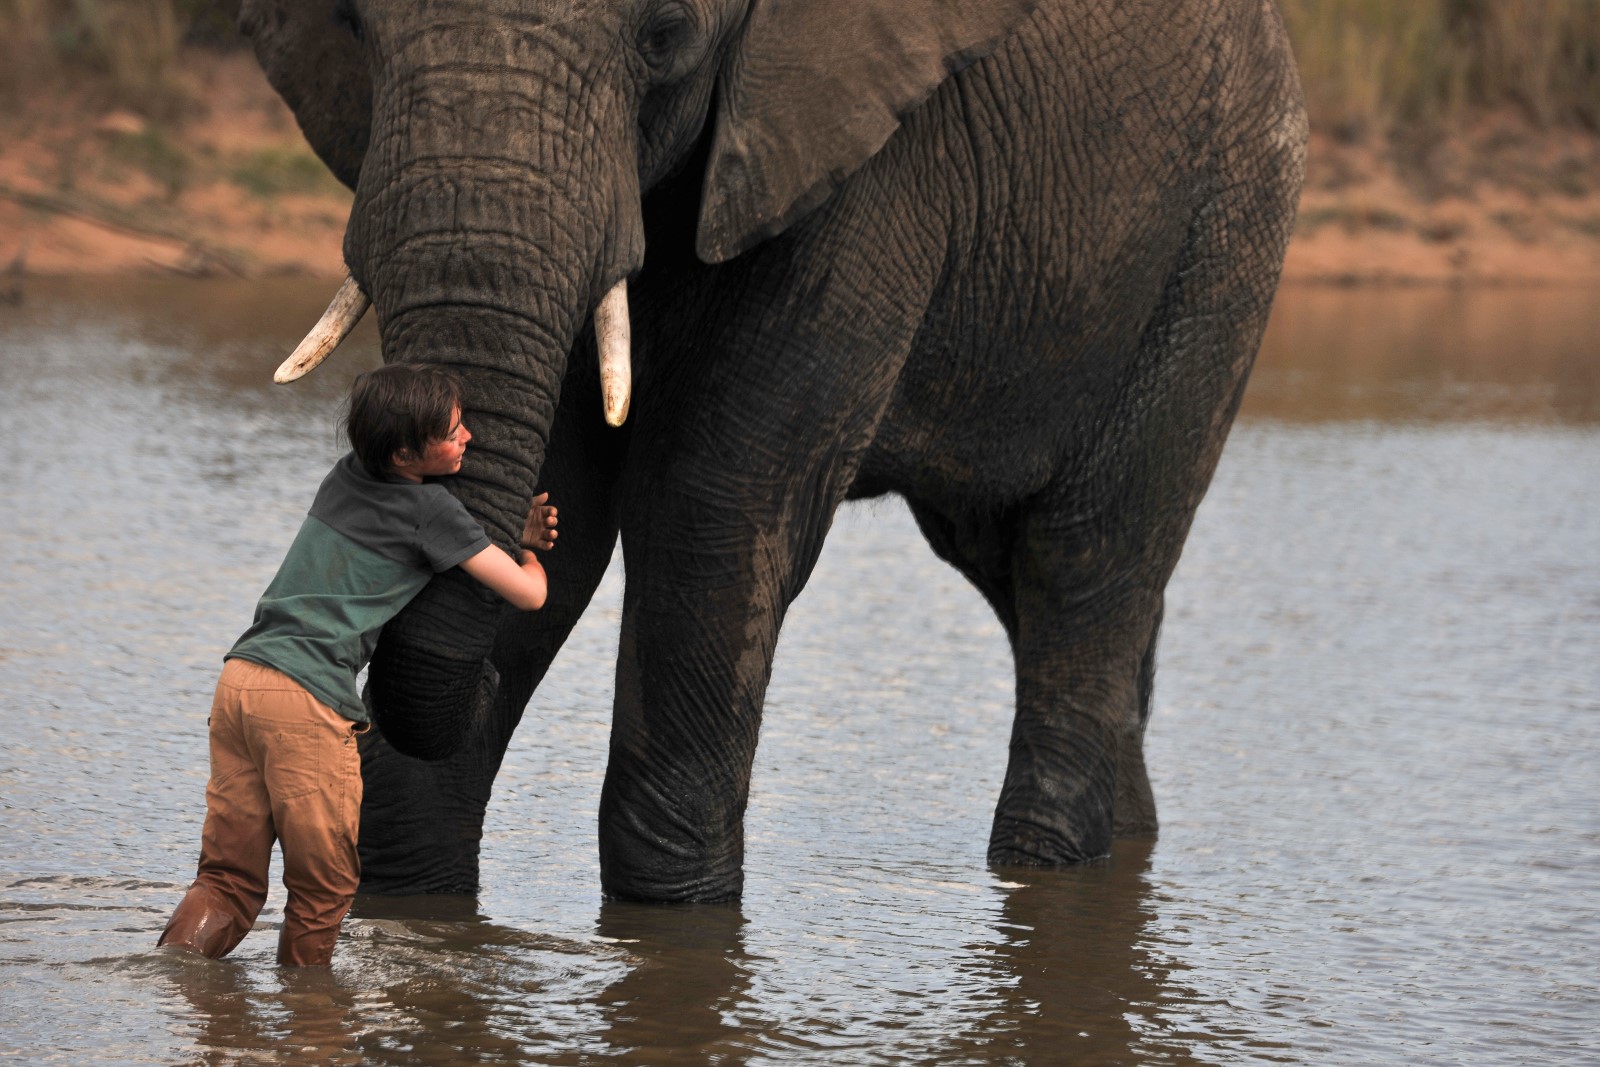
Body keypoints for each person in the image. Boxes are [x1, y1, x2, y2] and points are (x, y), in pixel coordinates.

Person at [157, 363, 557, 966]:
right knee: (324, 892)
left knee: (226, 881)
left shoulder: (342, 477)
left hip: (240, 680)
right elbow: (529, 594)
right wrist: (525, 547)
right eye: (453, 433)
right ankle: (314, 1028)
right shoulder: (433, 513)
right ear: (403, 453)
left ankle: (174, 985)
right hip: (305, 700)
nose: (468, 439)